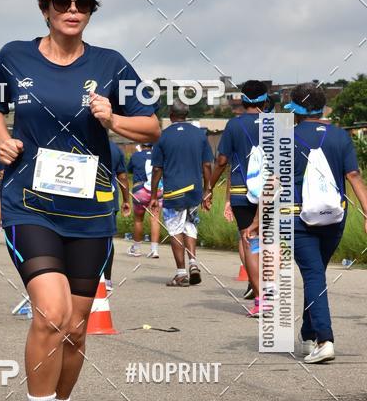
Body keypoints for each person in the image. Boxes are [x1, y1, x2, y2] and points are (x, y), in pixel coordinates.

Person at [0, 0, 160, 401]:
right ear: (44, 8)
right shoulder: (14, 57)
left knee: (77, 331)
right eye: (63, 2)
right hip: (29, 206)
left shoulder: (112, 64)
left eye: (84, 3)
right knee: (52, 314)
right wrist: (1, 138)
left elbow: (151, 127)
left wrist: (114, 118)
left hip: (92, 213)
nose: (73, 10)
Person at [247, 83, 367, 363]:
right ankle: (307, 334)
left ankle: (324, 339)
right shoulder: (340, 136)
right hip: (334, 218)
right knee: (316, 273)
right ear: (322, 107)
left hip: (298, 219)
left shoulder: (285, 137)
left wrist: (257, 219)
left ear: (295, 110)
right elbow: (354, 177)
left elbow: (272, 184)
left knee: (313, 275)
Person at [204, 80, 269, 316]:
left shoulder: (234, 125)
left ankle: (261, 301)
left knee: (250, 240)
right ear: (266, 100)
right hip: (272, 192)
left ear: (242, 101)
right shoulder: (276, 124)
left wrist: (209, 188)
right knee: (269, 242)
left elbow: (222, 161)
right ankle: (273, 291)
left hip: (243, 192)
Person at [150, 98, 213, 286]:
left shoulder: (162, 136)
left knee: (175, 230)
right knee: (190, 227)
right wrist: (208, 189)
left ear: (171, 116)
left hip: (173, 192)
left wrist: (154, 195)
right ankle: (193, 262)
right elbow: (207, 165)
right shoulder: (199, 135)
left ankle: (180, 273)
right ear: (186, 115)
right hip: (195, 190)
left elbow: (157, 169)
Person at [126, 143, 163, 258]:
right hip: (156, 190)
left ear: (141, 145)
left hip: (140, 190)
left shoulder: (136, 155)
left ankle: (136, 248)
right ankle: (154, 250)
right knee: (155, 219)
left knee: (138, 220)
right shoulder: (159, 154)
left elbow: (129, 170)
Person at [105, 140, 131, 292]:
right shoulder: (115, 149)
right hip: (108, 199)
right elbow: (122, 176)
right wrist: (126, 200)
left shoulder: (81, 141)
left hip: (84, 201)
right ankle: (107, 279)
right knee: (107, 238)